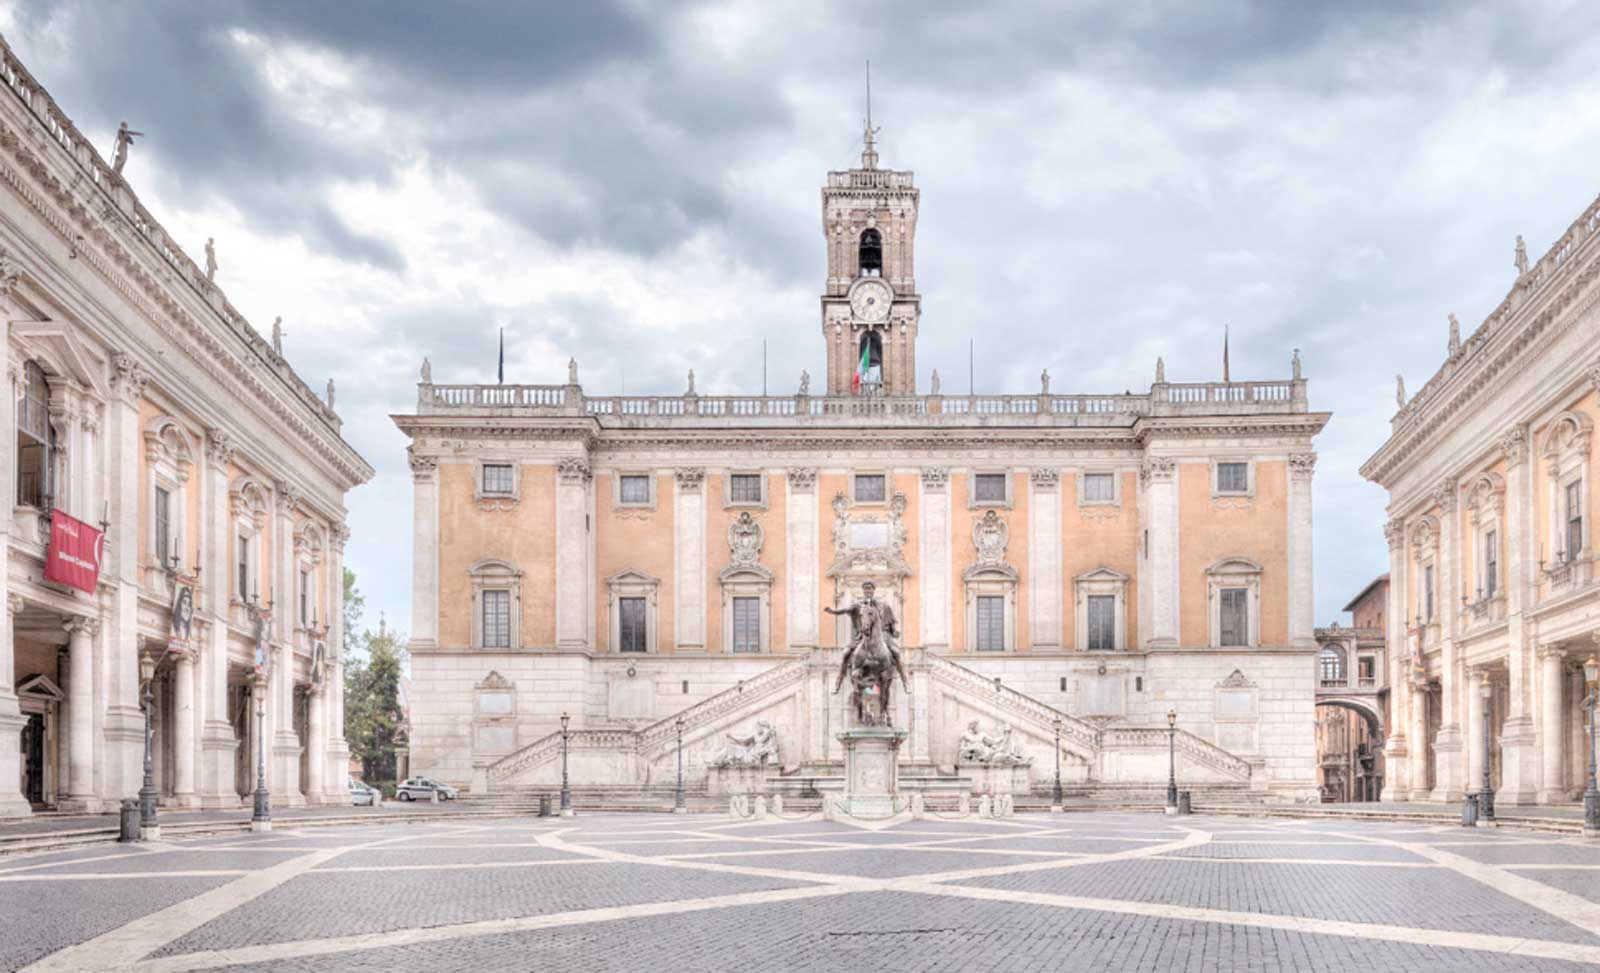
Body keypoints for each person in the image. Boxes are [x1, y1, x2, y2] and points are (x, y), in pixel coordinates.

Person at [825, 581, 908, 692]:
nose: (868, 591)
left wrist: (894, 631)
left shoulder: (884, 606)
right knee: (845, 653)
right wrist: (833, 611)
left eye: (870, 589)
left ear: (873, 591)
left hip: (883, 636)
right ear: (863, 591)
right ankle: (838, 682)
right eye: (866, 589)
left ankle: (905, 681)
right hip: (863, 636)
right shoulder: (858, 606)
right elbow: (845, 610)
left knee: (896, 652)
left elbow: (891, 622)